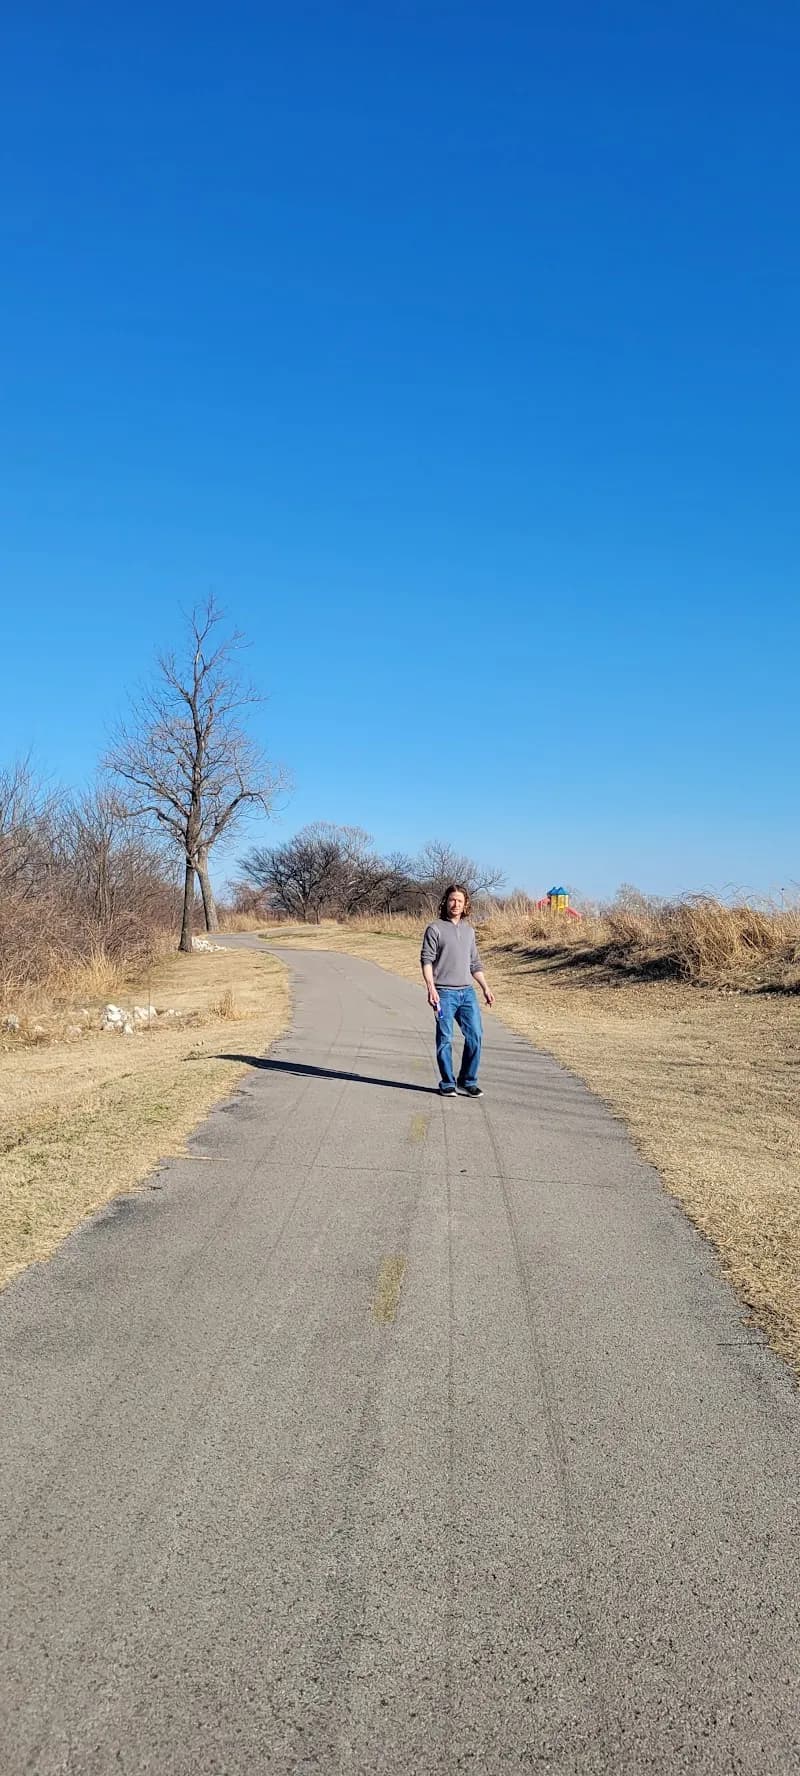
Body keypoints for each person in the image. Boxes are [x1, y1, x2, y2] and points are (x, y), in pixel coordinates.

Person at [420, 883, 495, 1097]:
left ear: (465, 905)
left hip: (467, 994)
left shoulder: (469, 931)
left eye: (460, 901)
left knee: (475, 1036)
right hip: (443, 993)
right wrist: (431, 988)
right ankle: (447, 1083)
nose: (456, 904)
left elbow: (475, 964)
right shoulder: (434, 928)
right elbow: (426, 960)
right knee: (445, 1038)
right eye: (452, 900)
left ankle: (467, 1080)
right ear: (446, 902)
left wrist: (485, 988)